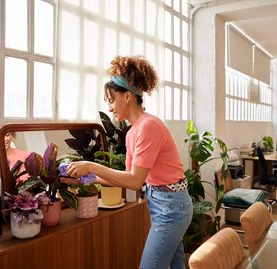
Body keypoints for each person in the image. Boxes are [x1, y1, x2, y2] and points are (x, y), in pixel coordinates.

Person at [64, 56, 193, 269]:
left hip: (171, 207)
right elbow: (127, 178)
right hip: (166, 204)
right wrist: (86, 179)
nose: (110, 108)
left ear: (127, 96)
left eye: (111, 100)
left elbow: (135, 181)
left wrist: (91, 165)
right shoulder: (133, 132)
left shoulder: (148, 127)